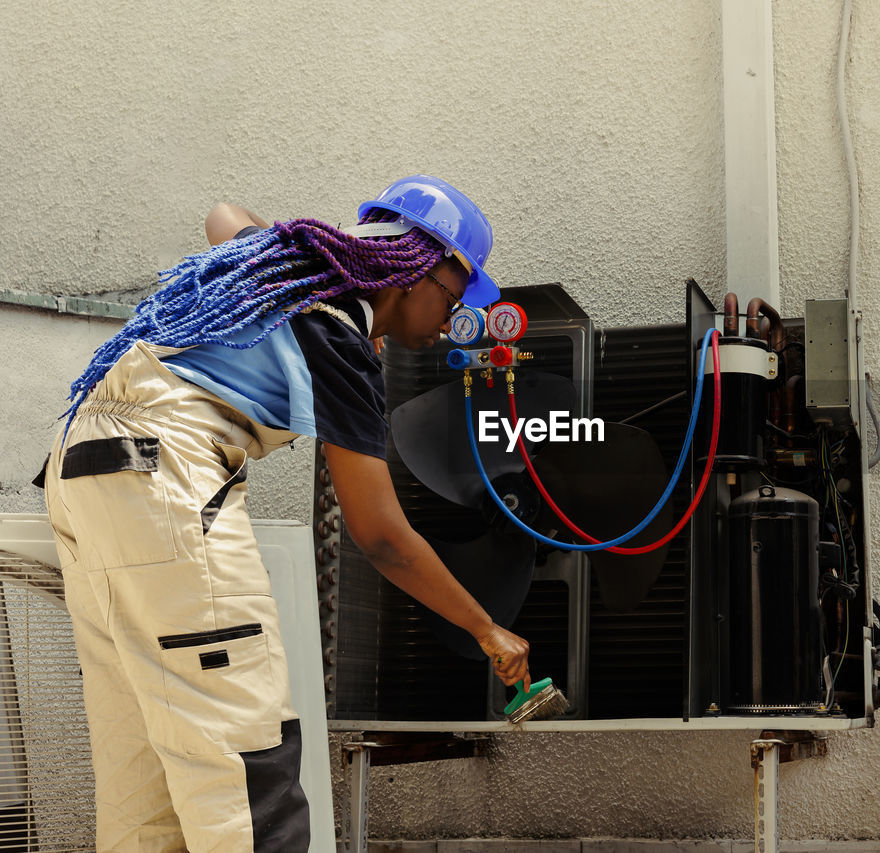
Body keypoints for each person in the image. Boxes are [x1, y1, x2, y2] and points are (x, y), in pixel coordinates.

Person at [38, 175, 531, 852]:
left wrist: (309, 260)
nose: (451, 320)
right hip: (165, 476)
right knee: (246, 762)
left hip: (83, 469)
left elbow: (223, 214)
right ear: (414, 270)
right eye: (453, 295)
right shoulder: (338, 343)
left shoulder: (286, 284)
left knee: (147, 779)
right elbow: (382, 536)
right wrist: (485, 628)